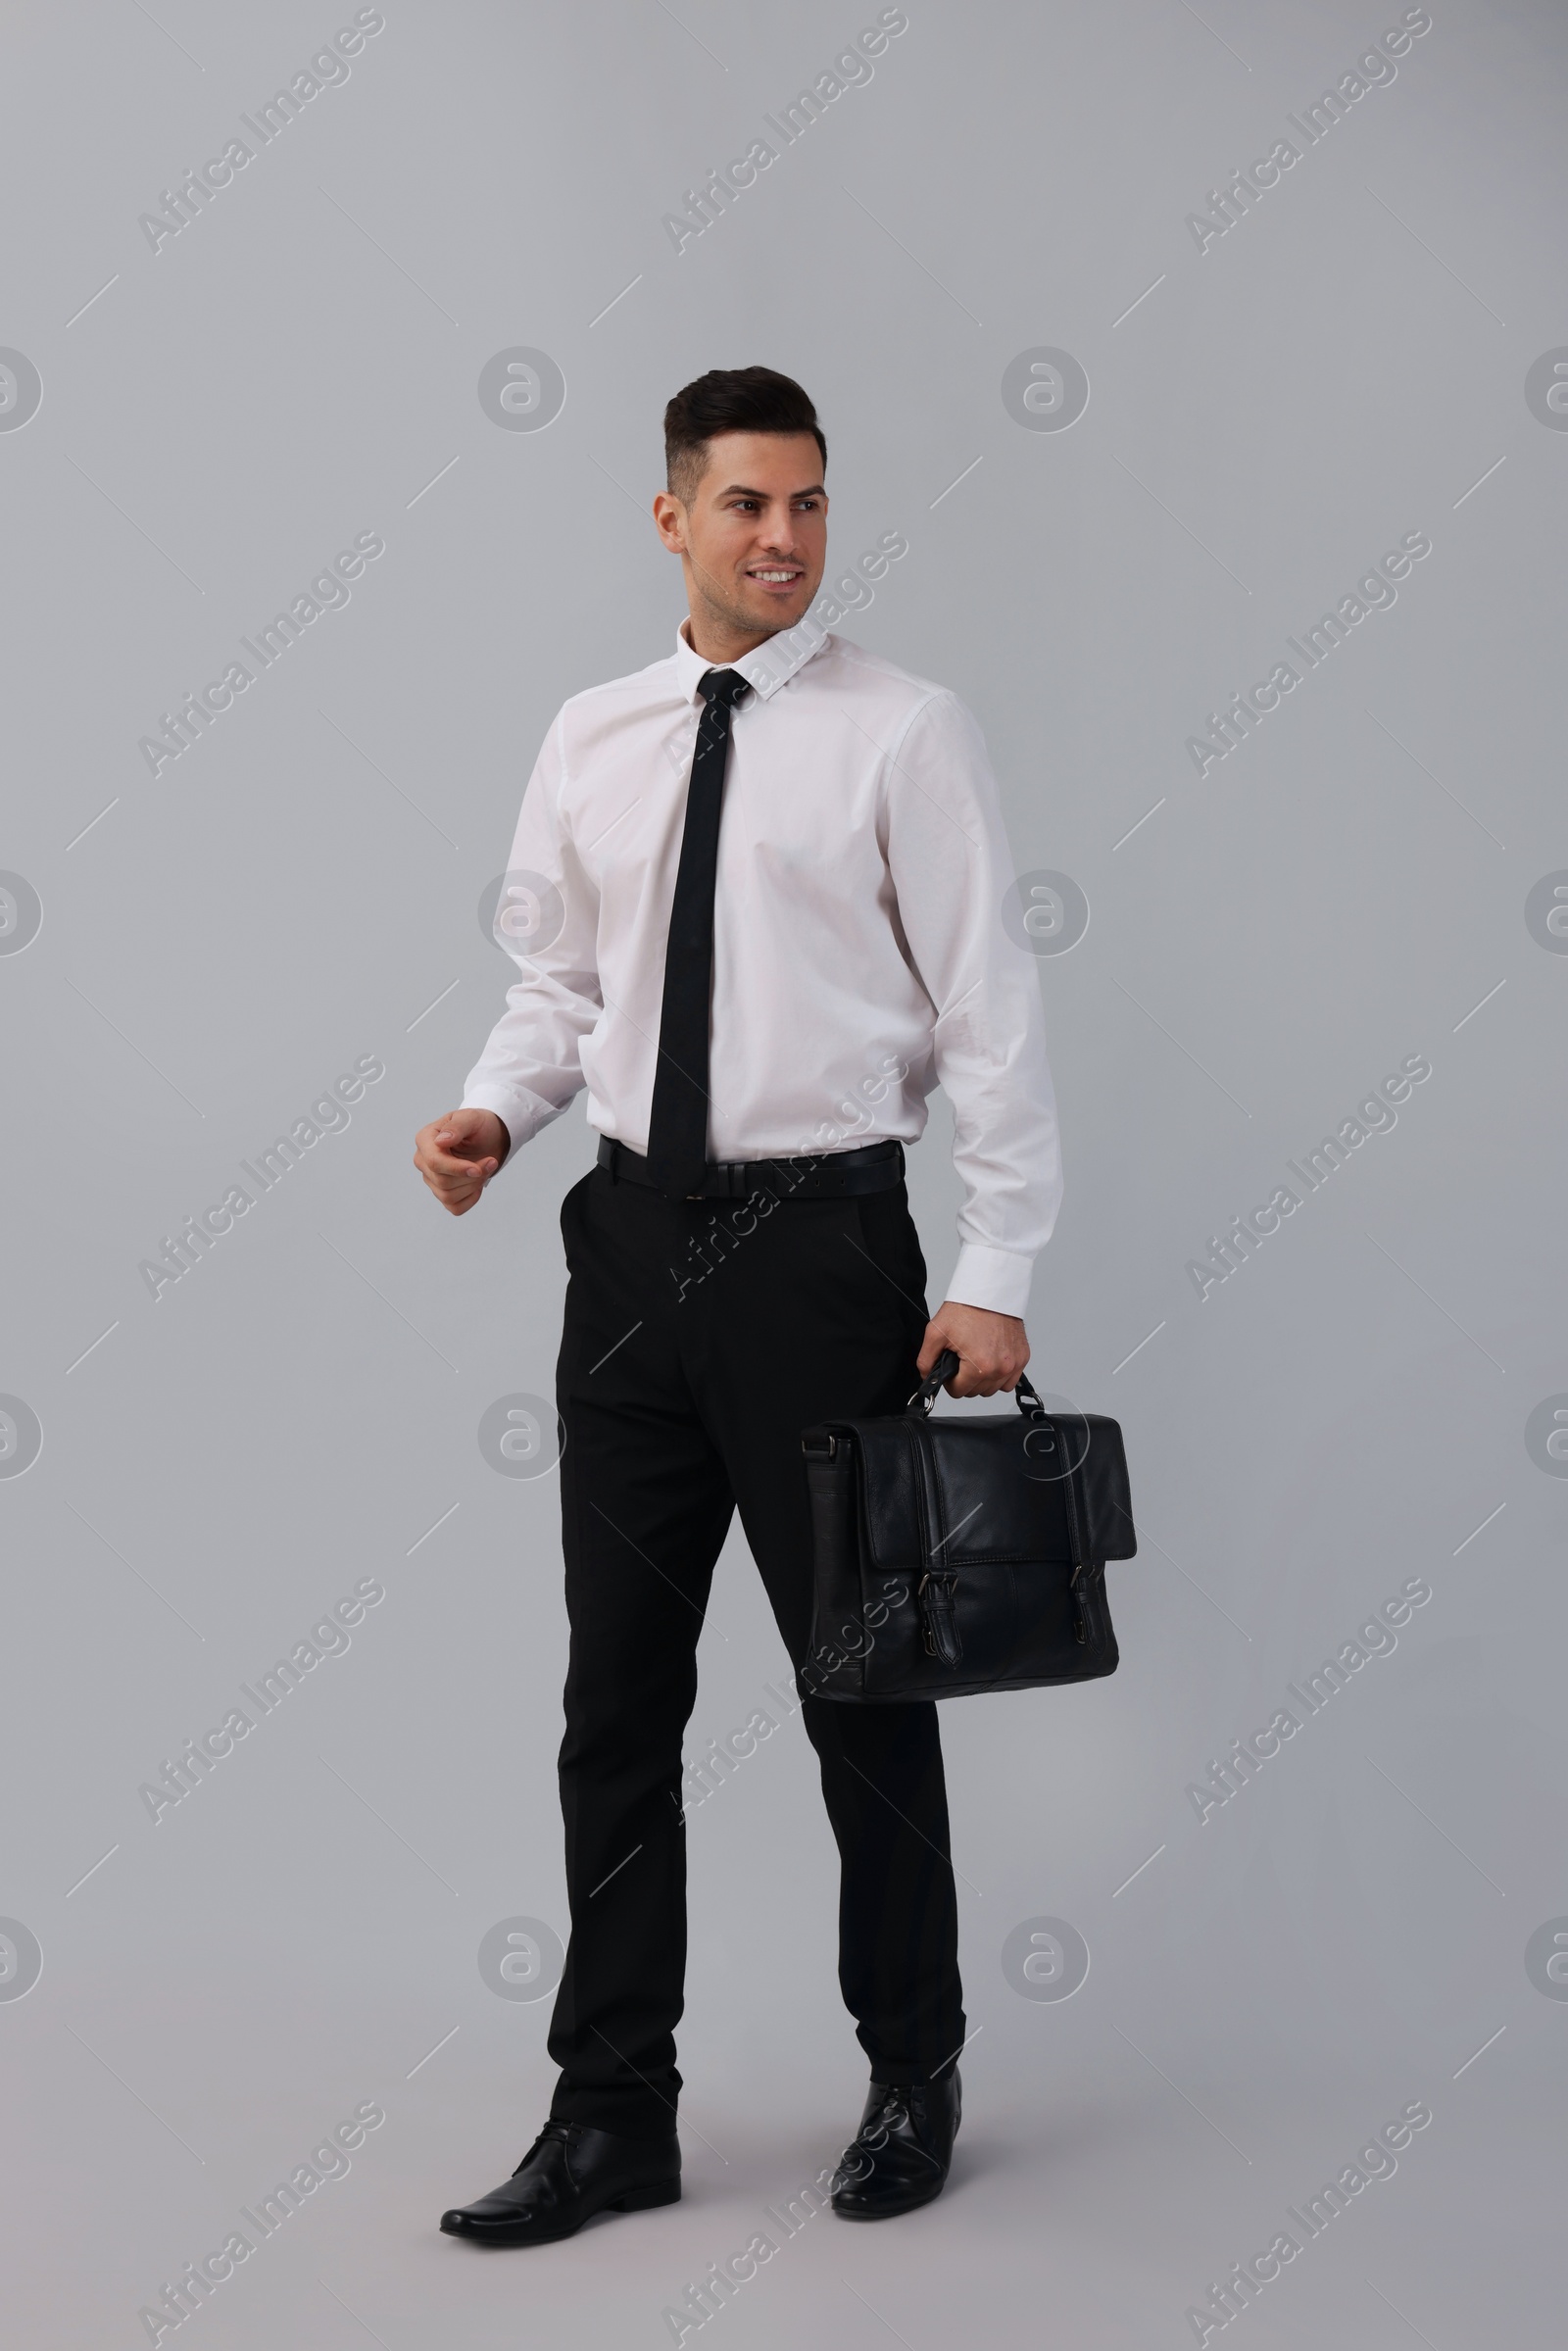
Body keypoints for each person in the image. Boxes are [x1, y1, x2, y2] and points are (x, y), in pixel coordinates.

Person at [415, 366, 1061, 2246]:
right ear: (672, 518)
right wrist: (492, 1107)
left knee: (863, 1683)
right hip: (626, 1257)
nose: (785, 542)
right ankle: (612, 2109)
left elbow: (988, 1016)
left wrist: (993, 1271)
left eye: (812, 507)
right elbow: (561, 986)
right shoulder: (595, 732)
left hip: (820, 1256)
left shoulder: (903, 733)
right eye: (748, 508)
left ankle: (913, 2066)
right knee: (614, 1697)